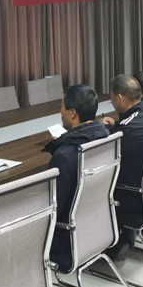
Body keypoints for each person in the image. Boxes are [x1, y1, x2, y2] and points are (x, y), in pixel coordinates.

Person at [42, 84, 109, 270]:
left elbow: (52, 207)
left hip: (67, 240)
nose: (60, 111)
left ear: (72, 113)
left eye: (62, 106)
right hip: (98, 226)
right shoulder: (104, 137)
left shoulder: (65, 155)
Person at [101, 75, 143, 257]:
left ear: (119, 98)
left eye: (111, 98)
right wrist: (117, 126)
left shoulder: (128, 130)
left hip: (133, 198)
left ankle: (106, 241)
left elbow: (109, 157)